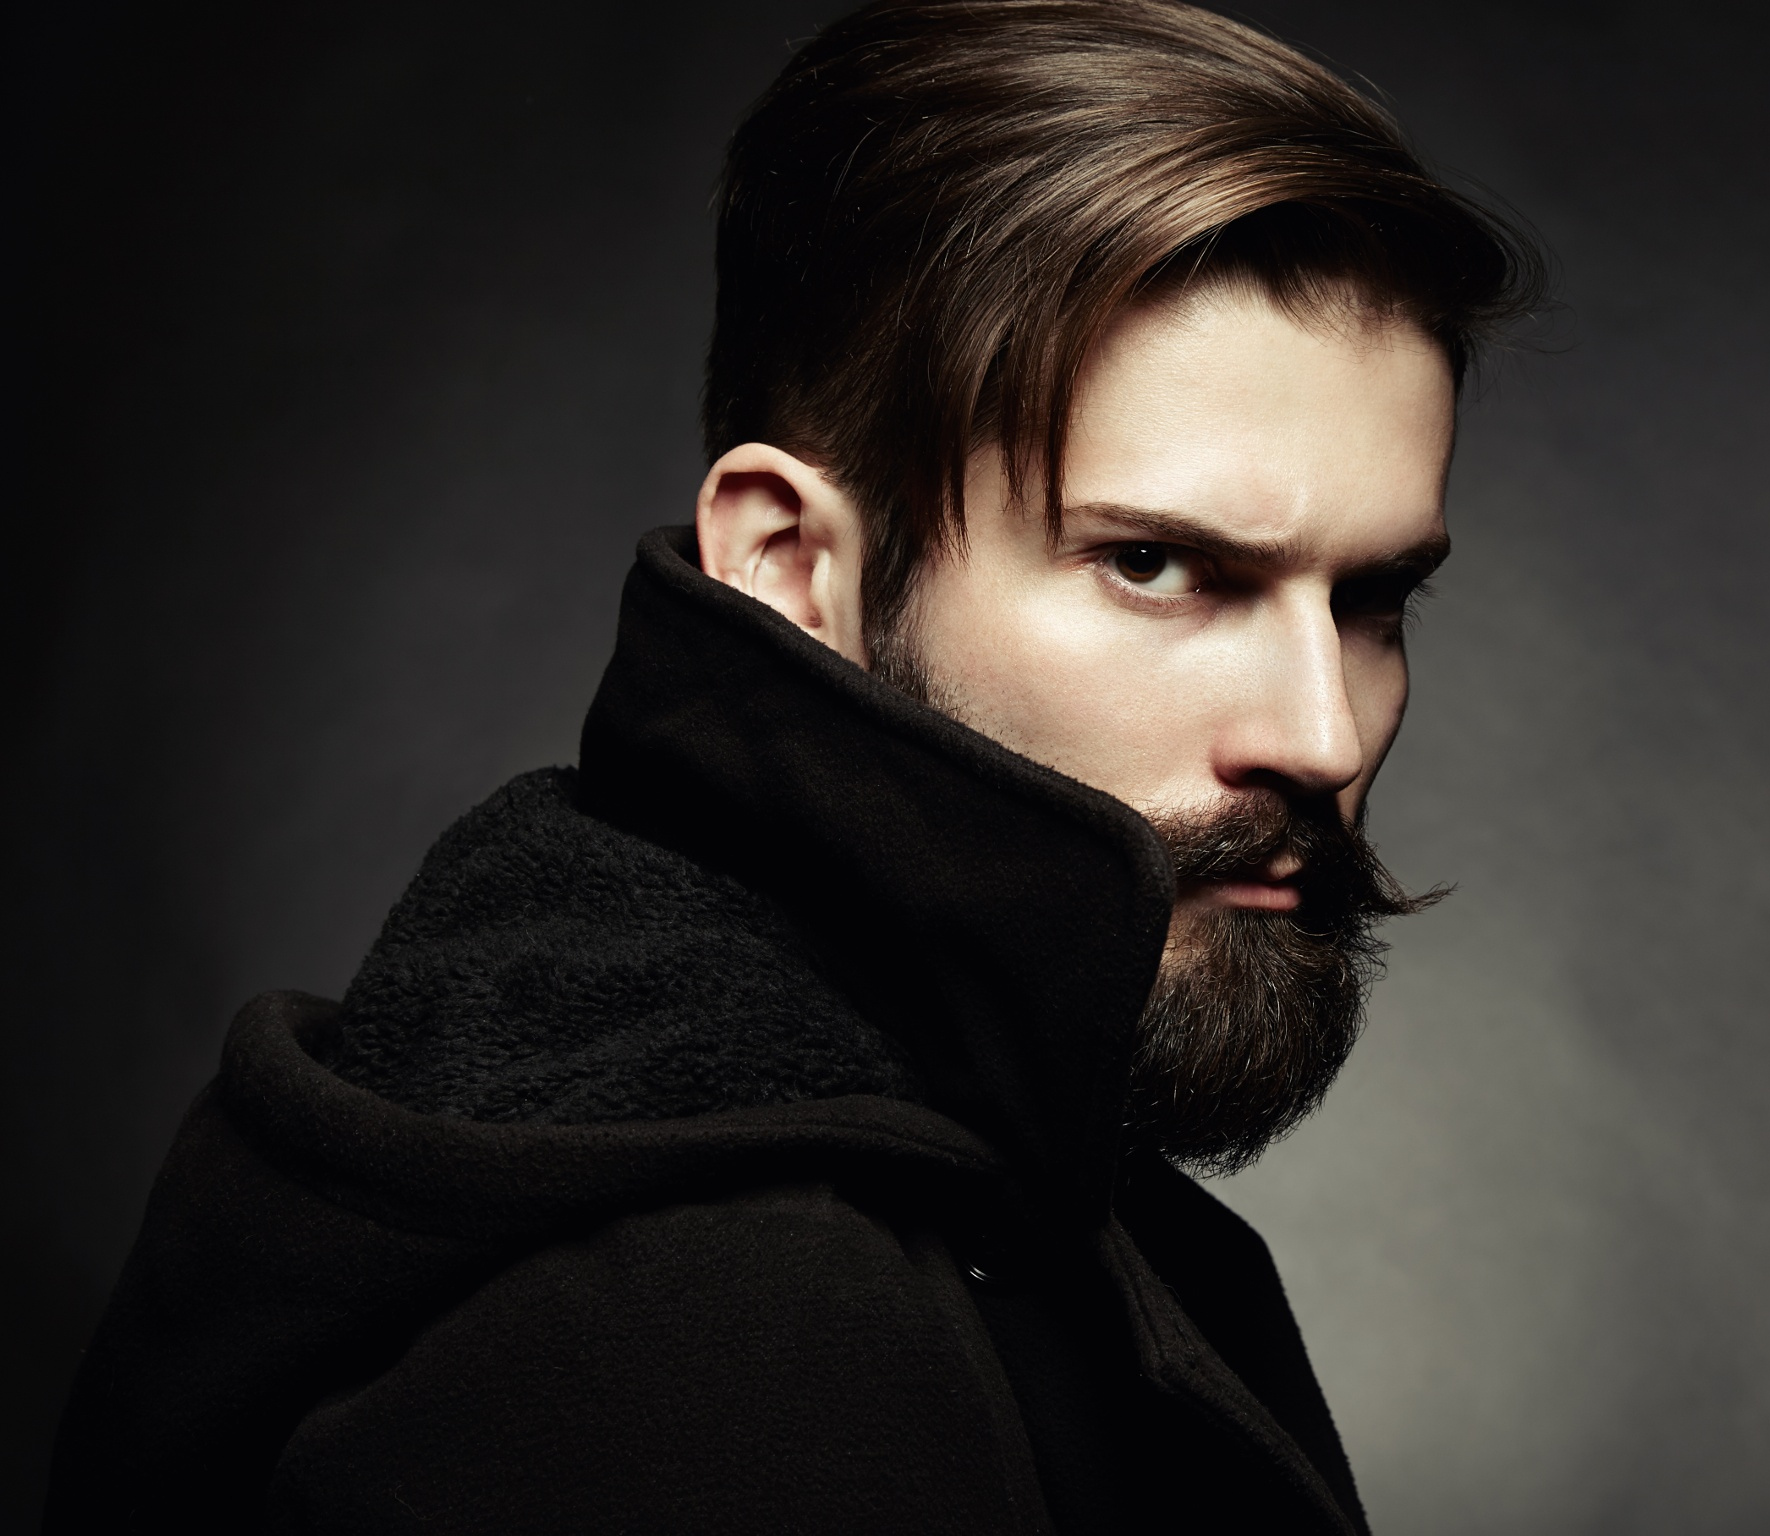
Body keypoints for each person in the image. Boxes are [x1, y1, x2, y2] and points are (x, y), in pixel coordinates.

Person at [45, 1, 1542, 1530]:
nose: (1324, 733)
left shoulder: (938, 1201)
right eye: (1157, 566)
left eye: (1372, 600)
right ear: (785, 567)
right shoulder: (712, 1344)